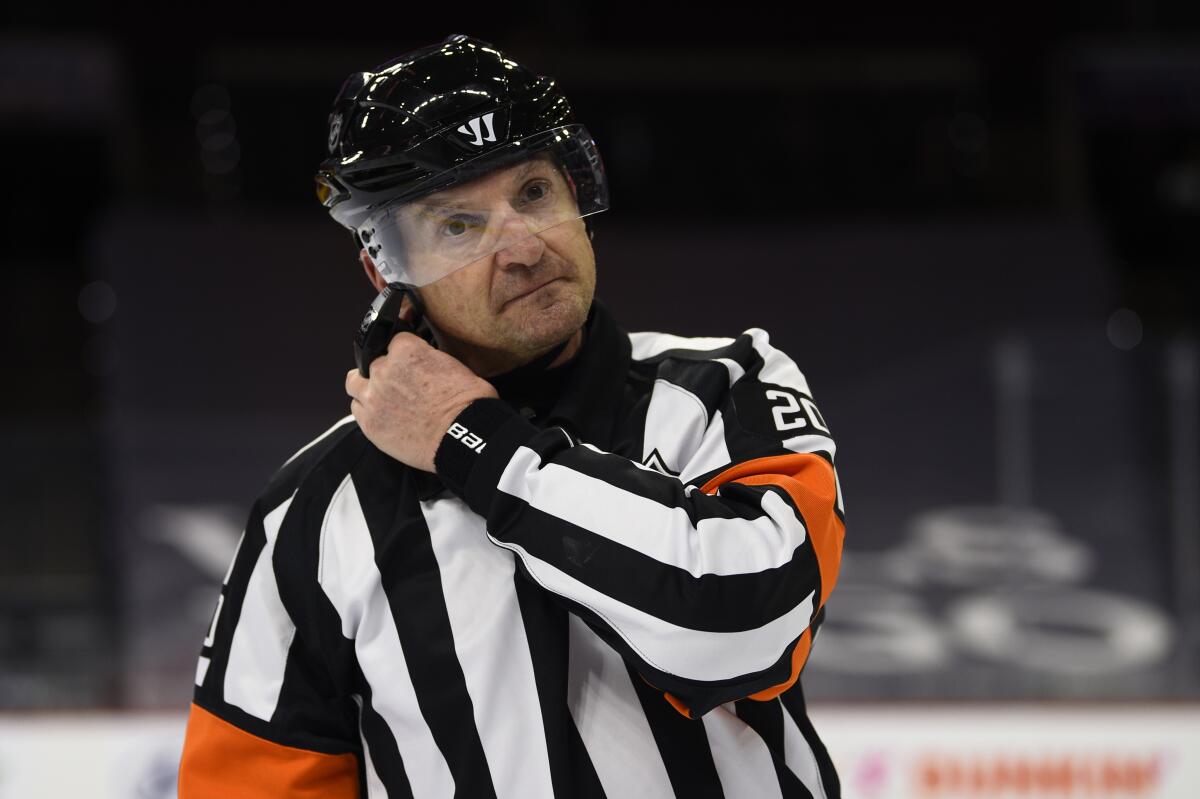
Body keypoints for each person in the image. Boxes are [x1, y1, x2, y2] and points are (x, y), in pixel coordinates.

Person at [178, 34, 845, 799]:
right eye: (457, 226)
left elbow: (749, 629)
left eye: (533, 193)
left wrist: (477, 445)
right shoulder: (312, 510)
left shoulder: (727, 387)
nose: (524, 247)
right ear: (383, 267)